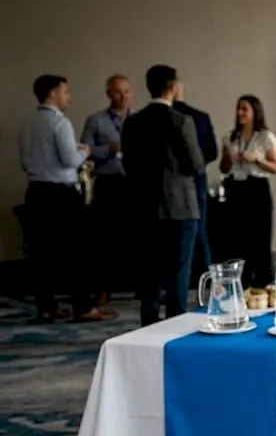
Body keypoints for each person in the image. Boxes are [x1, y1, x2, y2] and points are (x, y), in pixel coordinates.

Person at [18, 74, 115, 322]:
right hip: (61, 193)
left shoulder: (27, 123)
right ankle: (83, 307)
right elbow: (70, 160)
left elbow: (24, 161)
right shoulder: (60, 124)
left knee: (41, 254)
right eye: (65, 92)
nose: (68, 96)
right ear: (52, 93)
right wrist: (85, 151)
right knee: (78, 251)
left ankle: (47, 306)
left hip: (35, 191)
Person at [122, 65, 204, 326]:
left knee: (149, 274)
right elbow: (196, 165)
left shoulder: (133, 122)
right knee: (178, 275)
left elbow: (129, 165)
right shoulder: (181, 120)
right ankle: (174, 327)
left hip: (144, 206)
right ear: (173, 87)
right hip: (180, 207)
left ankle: (147, 327)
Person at [81, 74, 132, 303]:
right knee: (105, 237)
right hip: (108, 181)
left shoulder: (137, 119)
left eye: (126, 91)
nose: (123, 96)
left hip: (133, 182)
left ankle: (139, 285)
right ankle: (103, 288)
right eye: (118, 92)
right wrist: (109, 149)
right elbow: (85, 149)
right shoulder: (96, 120)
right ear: (109, 94)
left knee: (135, 234)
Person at [219, 94, 276, 287]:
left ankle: (262, 282)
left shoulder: (266, 137)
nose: (240, 113)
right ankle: (240, 282)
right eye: (238, 108)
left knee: (260, 237)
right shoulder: (230, 136)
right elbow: (223, 168)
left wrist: (256, 159)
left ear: (255, 112)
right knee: (236, 237)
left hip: (257, 189)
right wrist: (229, 157)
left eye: (245, 109)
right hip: (235, 188)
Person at [173, 80, 218, 280]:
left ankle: (172, 283)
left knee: (169, 236)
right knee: (200, 231)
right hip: (196, 180)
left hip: (166, 185)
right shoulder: (200, 117)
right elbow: (212, 152)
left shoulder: (160, 117)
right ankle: (207, 282)